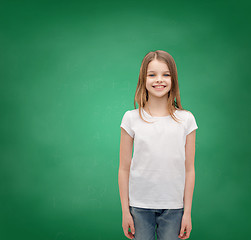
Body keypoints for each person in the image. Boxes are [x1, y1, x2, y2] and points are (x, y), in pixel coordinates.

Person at [118, 50, 198, 240]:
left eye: (166, 74)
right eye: (152, 74)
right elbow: (124, 168)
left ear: (173, 79)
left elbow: (189, 170)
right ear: (143, 79)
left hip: (174, 208)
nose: (159, 80)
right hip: (139, 207)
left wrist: (187, 213)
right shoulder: (131, 118)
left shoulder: (186, 119)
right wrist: (125, 211)